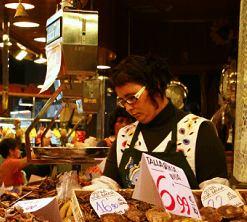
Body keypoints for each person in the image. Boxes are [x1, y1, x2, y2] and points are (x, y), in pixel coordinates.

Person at [90, 55, 228, 190]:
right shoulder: (126, 136)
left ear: (156, 85)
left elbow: (216, 192)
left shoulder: (199, 132)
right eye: (123, 101)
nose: (128, 107)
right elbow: (109, 183)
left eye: (132, 98)